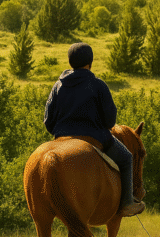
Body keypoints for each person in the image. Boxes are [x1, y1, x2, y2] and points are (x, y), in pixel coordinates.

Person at [44, 42, 145, 217]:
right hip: (94, 137)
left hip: (61, 137)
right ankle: (128, 203)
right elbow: (110, 121)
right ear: (90, 62)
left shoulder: (57, 86)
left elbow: (48, 120)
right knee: (127, 158)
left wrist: (60, 133)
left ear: (70, 62)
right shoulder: (98, 85)